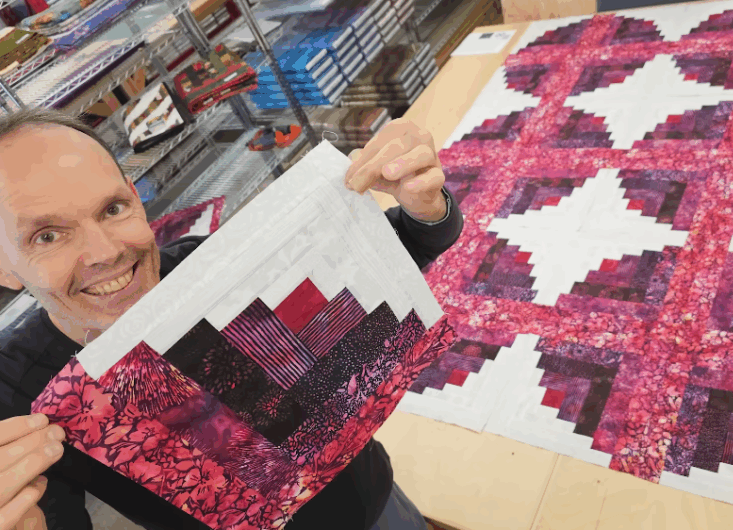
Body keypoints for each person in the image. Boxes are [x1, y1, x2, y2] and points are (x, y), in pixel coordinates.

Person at [0, 107, 463, 530]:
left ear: (138, 202)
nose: (106, 253)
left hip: (370, 503)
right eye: (46, 236)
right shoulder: (19, 398)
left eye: (113, 208)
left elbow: (392, 259)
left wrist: (425, 207)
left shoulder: (210, 271)